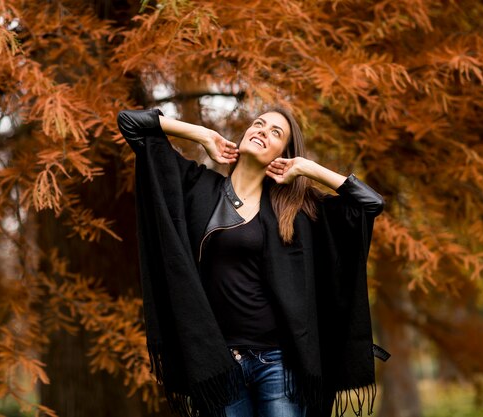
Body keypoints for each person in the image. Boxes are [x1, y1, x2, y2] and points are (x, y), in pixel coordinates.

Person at [117, 107, 388, 417]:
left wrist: (307, 168)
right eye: (259, 124)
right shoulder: (199, 188)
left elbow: (370, 204)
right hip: (220, 364)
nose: (262, 131)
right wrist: (203, 134)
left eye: (276, 133)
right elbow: (131, 123)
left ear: (283, 154)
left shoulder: (296, 210)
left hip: (279, 364)